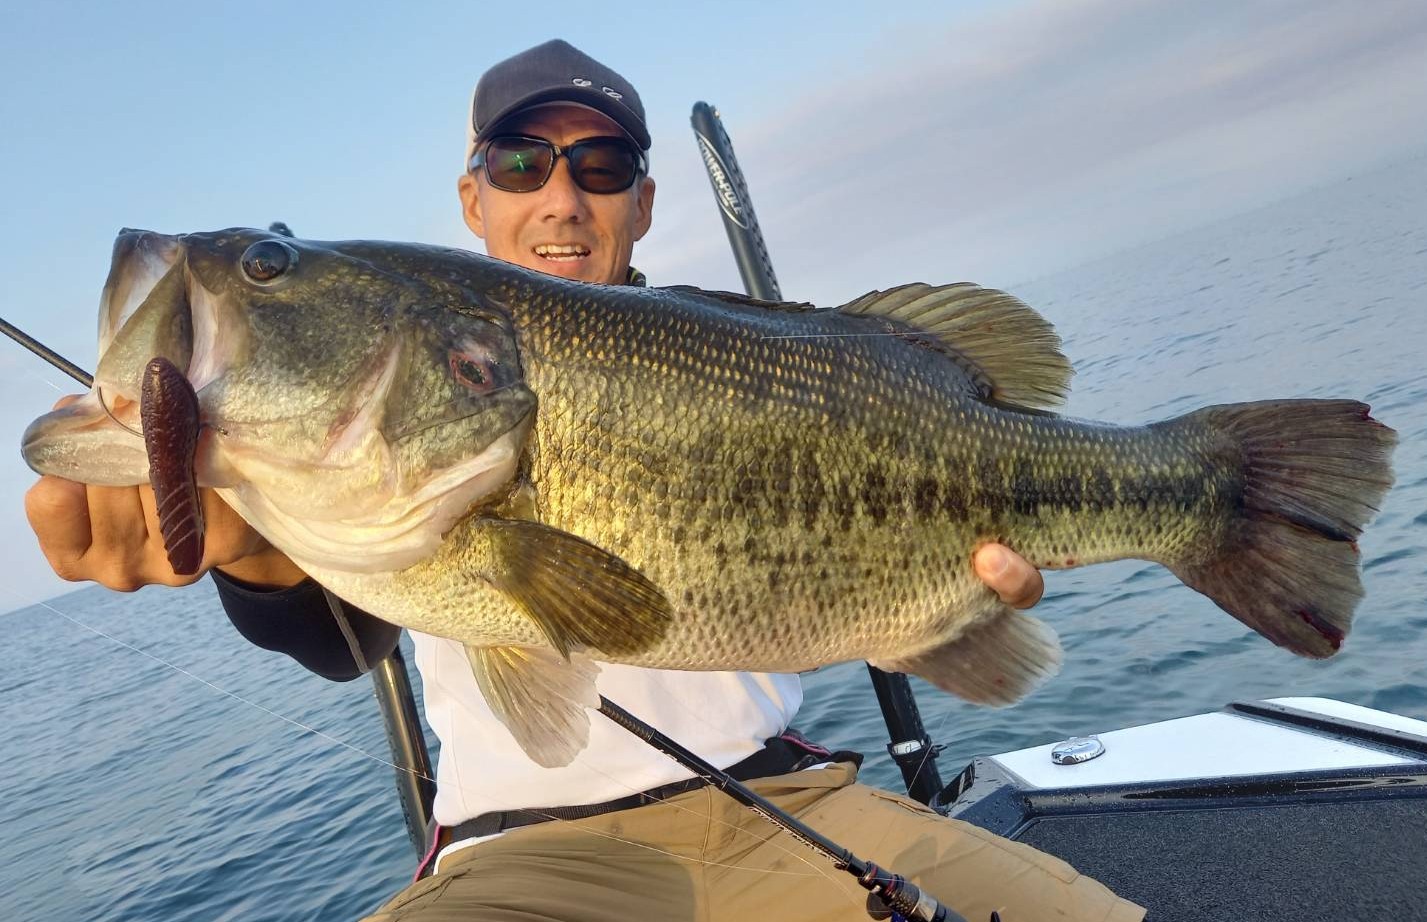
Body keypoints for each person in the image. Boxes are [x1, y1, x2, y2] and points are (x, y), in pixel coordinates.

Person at [24, 39, 1144, 922]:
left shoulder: (742, 354)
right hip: (522, 854)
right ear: (473, 199)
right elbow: (338, 636)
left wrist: (936, 615)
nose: (560, 197)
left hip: (792, 797)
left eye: (599, 166)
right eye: (521, 163)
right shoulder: (384, 440)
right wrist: (241, 547)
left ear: (640, 205)